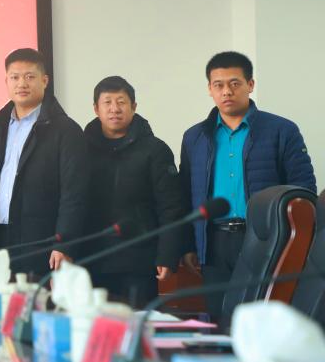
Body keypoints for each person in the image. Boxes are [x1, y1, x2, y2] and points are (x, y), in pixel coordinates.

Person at [180, 51, 315, 314]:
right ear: (209, 89)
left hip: (265, 239)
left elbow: (303, 190)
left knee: (258, 318)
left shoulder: (282, 130)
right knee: (219, 318)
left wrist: (294, 242)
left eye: (235, 83)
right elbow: (185, 196)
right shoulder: (195, 137)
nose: (226, 91)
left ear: (250, 85)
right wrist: (188, 245)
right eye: (218, 85)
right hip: (213, 242)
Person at [0, 48, 89, 277]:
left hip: (42, 243)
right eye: (15, 77)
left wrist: (65, 243)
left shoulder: (66, 130)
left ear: (45, 81)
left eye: (30, 76)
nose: (22, 83)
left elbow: (74, 194)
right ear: (6, 81)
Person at [84, 76, 188, 306]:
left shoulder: (155, 150)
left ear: (134, 107)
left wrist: (167, 254)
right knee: (94, 324)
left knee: (136, 323)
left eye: (121, 102)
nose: (114, 109)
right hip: (91, 258)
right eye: (107, 102)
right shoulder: (80, 149)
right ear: (96, 109)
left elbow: (171, 206)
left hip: (139, 260)